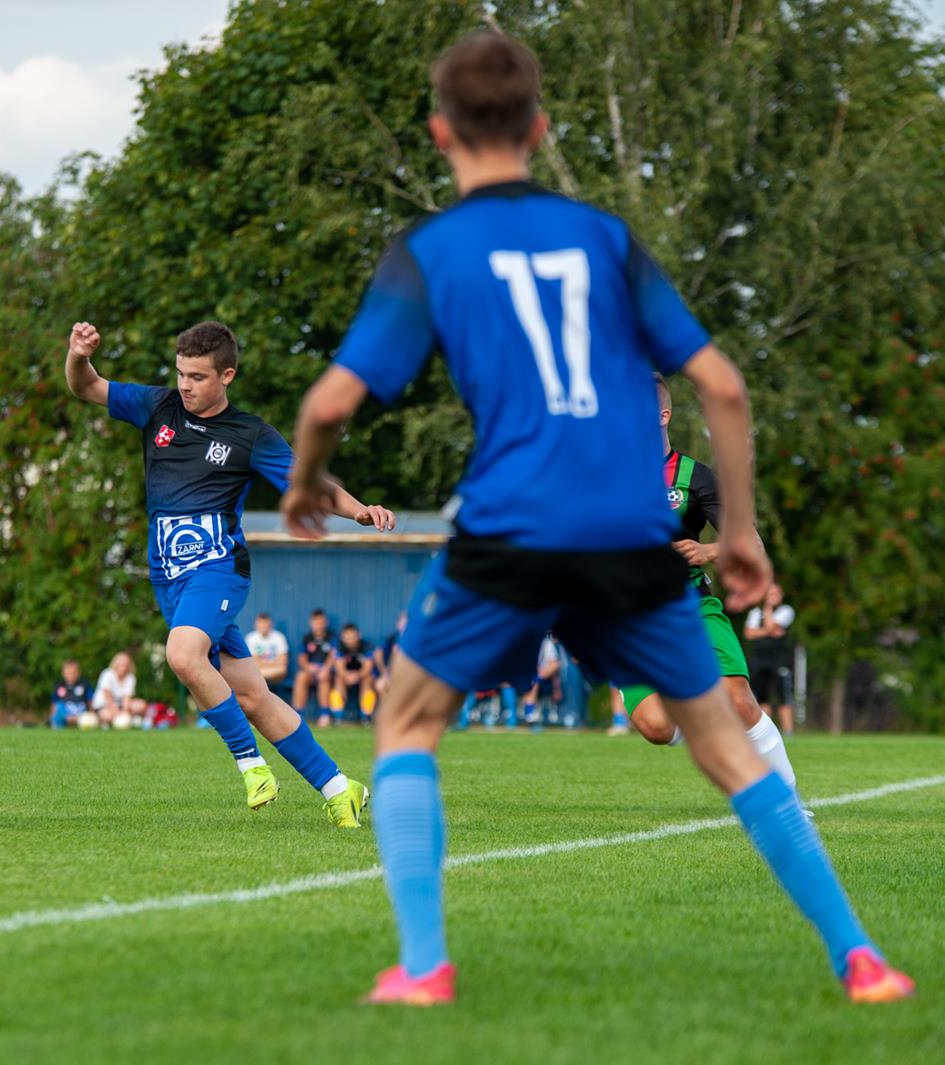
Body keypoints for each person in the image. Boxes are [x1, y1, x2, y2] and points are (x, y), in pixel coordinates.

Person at [280, 31, 911, 1004]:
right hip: (628, 534)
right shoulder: (605, 240)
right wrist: (741, 533)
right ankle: (858, 959)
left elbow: (326, 407)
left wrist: (302, 485)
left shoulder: (431, 248)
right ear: (538, 126)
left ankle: (422, 969)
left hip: (510, 530)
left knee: (405, 724)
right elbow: (724, 388)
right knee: (726, 749)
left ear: (441, 130)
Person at [65, 319, 391, 826]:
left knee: (182, 653)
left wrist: (359, 511)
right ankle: (338, 787)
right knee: (251, 695)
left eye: (197, 376)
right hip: (169, 579)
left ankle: (252, 767)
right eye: (180, 373)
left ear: (227, 375)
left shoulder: (250, 434)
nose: (185, 385)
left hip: (218, 571)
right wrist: (79, 356)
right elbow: (85, 385)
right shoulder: (158, 408)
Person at [618, 376, 800, 791]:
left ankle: (788, 803)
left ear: (663, 415)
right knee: (655, 727)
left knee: (738, 700)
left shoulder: (696, 477)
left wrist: (707, 551)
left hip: (691, 606)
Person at [745, 583, 798, 735]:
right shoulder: (755, 612)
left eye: (775, 594)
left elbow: (769, 625)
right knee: (761, 697)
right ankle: (766, 732)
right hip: (759, 659)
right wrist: (769, 631)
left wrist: (767, 617)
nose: (772, 598)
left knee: (783, 695)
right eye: (769, 594)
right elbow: (749, 634)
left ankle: (788, 732)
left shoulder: (786, 611)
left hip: (779, 659)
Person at [293, 608, 337, 720]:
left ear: (326, 622)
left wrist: (325, 669)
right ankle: (297, 715)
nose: (319, 625)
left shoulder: (332, 637)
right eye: (316, 622)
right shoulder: (307, 638)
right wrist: (308, 667)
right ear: (311, 623)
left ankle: (324, 715)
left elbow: (334, 655)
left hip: (327, 672)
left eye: (321, 622)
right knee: (301, 676)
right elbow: (302, 658)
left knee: (324, 678)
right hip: (311, 672)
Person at [331, 622, 377, 723]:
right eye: (347, 637)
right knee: (338, 679)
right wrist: (347, 676)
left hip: (362, 676)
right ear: (343, 637)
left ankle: (366, 715)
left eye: (353, 637)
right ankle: (338, 716)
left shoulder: (366, 645)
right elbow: (339, 667)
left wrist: (357, 676)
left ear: (358, 635)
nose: (350, 640)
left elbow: (368, 666)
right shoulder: (339, 646)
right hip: (345, 676)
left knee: (368, 679)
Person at [92, 651, 145, 727]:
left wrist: (125, 713)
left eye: (126, 663)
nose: (124, 666)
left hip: (120, 705)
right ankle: (103, 720)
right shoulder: (107, 674)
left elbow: (127, 698)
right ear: (116, 663)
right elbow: (108, 697)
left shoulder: (130, 677)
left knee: (141, 705)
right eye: (121, 663)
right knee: (108, 716)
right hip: (104, 705)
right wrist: (118, 715)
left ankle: (127, 720)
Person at [245, 613, 290, 699]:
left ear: (270, 624)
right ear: (256, 625)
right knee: (252, 675)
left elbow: (282, 663)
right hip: (264, 671)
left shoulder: (279, 637)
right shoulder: (251, 638)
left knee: (280, 670)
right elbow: (252, 662)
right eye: (261, 624)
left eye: (265, 624)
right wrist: (272, 664)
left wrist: (261, 665)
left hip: (274, 675)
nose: (263, 626)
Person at [51, 659, 93, 729]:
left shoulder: (85, 685)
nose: (71, 675)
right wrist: (53, 718)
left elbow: (90, 702)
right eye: (68, 672)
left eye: (73, 672)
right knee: (59, 708)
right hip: (65, 717)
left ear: (78, 673)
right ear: (63, 673)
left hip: (81, 717)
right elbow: (54, 705)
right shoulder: (59, 686)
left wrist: (91, 714)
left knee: (89, 719)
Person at [373, 611, 407, 697]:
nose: (404, 627)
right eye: (402, 623)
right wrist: (384, 670)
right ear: (398, 624)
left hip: (409, 675)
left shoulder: (418, 640)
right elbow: (378, 653)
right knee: (381, 685)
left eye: (407, 624)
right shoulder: (391, 638)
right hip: (391, 674)